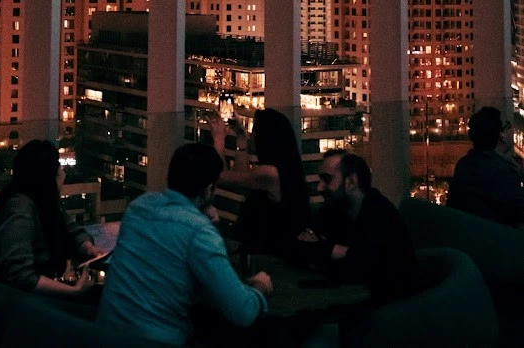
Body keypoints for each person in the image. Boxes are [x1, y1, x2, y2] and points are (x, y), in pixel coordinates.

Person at [98, 142, 272, 345]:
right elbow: (243, 312)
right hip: (156, 340)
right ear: (209, 189)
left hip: (105, 335)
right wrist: (261, 286)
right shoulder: (198, 231)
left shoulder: (138, 207)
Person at [0, 139, 95, 297]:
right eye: (57, 165)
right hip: (9, 304)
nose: (62, 170)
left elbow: (70, 229)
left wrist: (87, 246)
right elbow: (20, 276)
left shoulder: (43, 201)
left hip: (24, 299)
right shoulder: (20, 210)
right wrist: (73, 291)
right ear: (48, 174)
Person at [300, 151, 418, 303]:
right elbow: (303, 245)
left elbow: (364, 267)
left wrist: (327, 249)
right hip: (349, 297)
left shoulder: (380, 214)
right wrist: (336, 251)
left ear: (351, 182)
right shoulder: (336, 209)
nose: (319, 187)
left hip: (390, 307)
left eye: (327, 179)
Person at [210, 108, 311, 260]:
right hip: (270, 253)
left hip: (266, 256)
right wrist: (241, 137)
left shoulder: (270, 173)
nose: (252, 136)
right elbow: (242, 177)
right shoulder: (282, 170)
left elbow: (222, 177)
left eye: (254, 131)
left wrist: (218, 139)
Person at [447, 106, 524, 227]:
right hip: (497, 241)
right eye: (509, 126)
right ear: (502, 136)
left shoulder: (464, 164)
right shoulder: (502, 172)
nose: (513, 130)